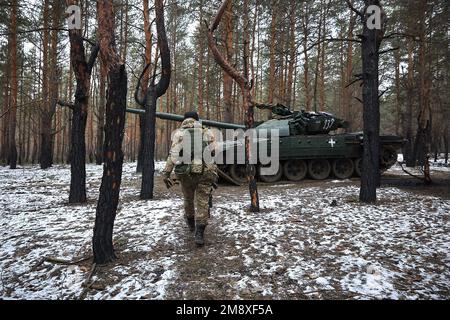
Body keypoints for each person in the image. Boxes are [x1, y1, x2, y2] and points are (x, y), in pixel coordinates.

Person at [162, 111, 218, 247]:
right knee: (203, 202)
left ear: (184, 120)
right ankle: (199, 233)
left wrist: (166, 173)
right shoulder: (207, 132)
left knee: (188, 199)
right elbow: (214, 151)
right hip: (205, 172)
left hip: (185, 173)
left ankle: (191, 224)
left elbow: (173, 156)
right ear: (197, 120)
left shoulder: (179, 134)